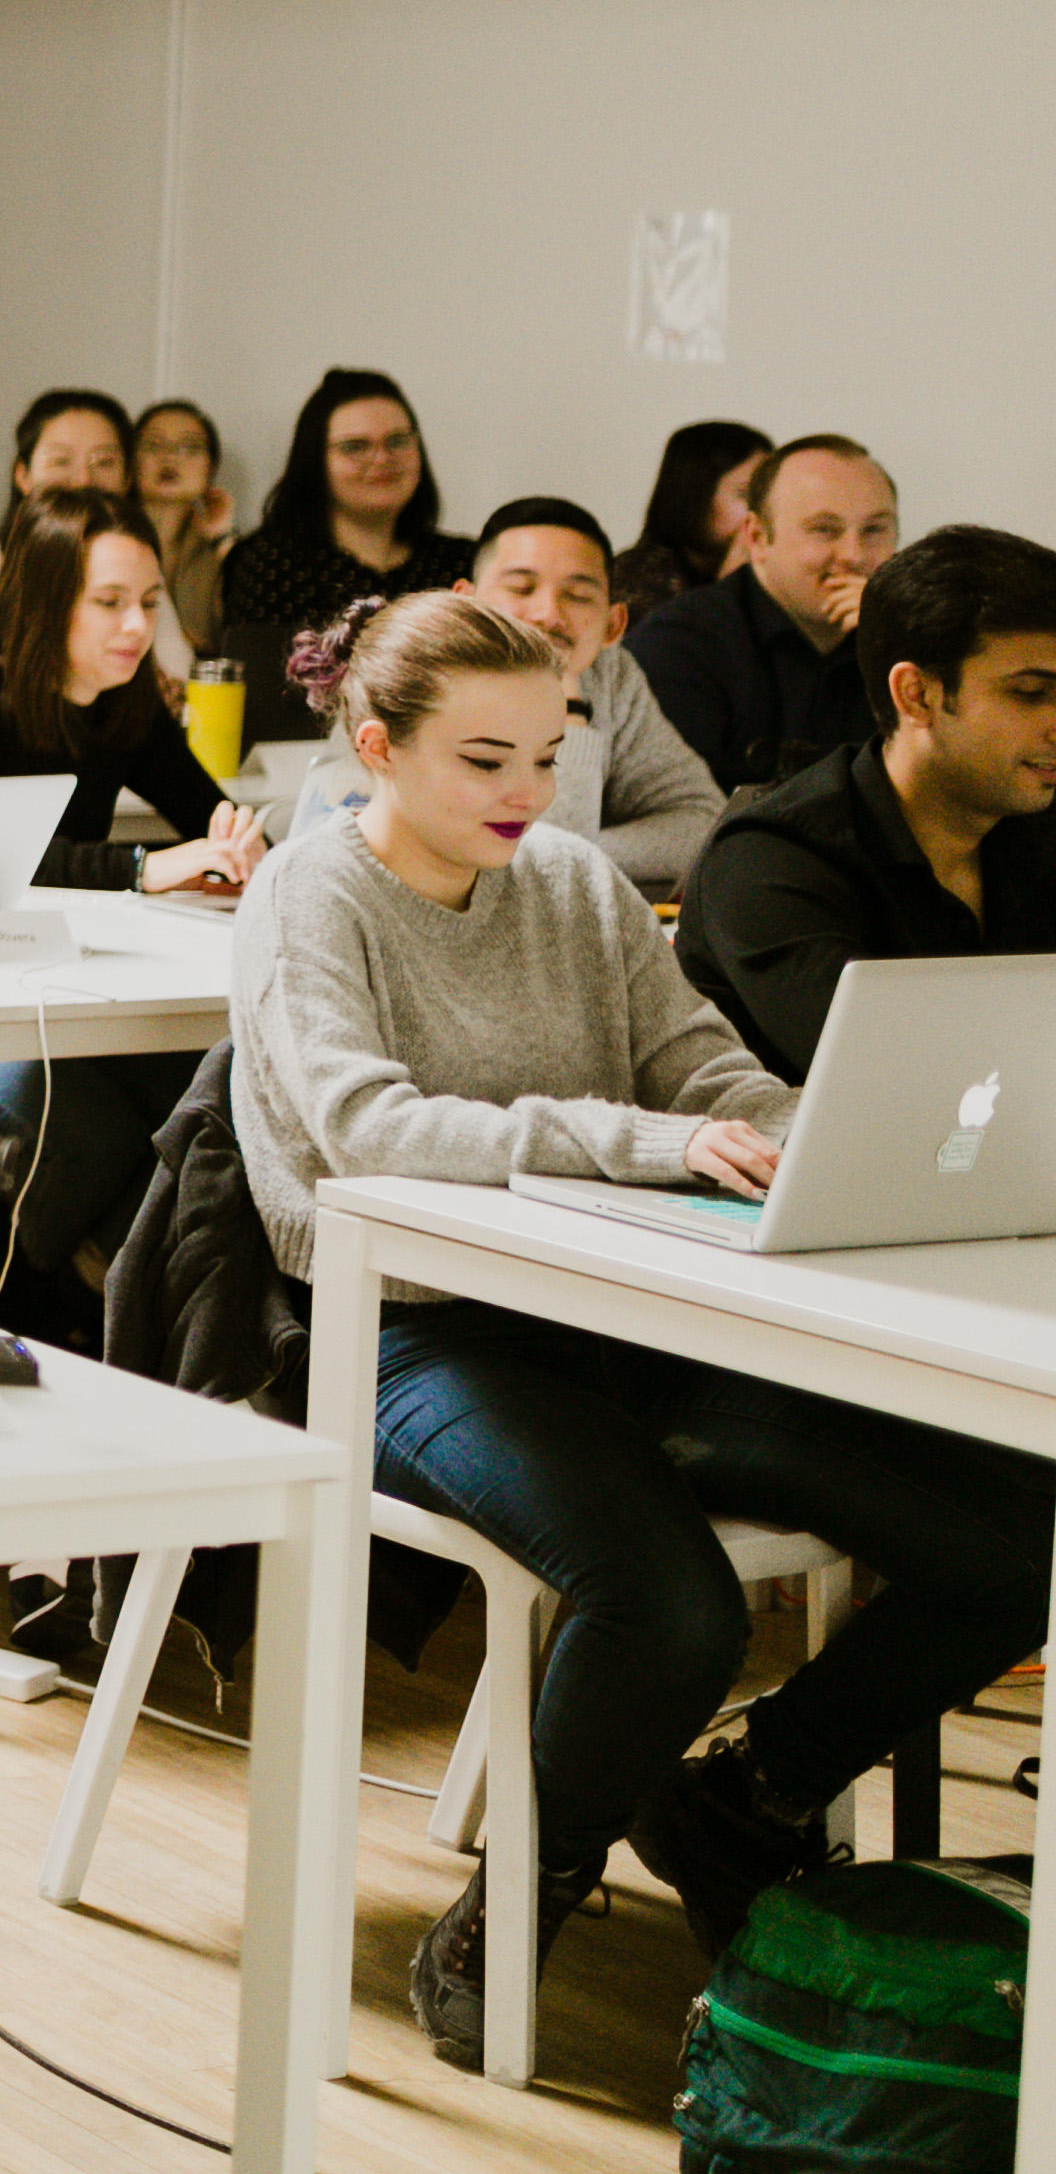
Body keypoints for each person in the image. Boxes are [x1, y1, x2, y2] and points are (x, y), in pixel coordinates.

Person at [230, 589, 1053, 2065]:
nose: (530, 796)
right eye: (486, 760)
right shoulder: (310, 894)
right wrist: (643, 1144)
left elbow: (702, 1071)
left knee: (1004, 1546)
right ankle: (522, 1893)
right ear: (375, 749)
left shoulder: (572, 885)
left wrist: (819, 1137)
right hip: (415, 1342)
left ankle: (747, 1801)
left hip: (629, 1327)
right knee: (670, 1606)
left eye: (548, 754)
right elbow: (365, 1128)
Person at [681, 524, 1056, 1082]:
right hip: (806, 1163)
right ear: (917, 695)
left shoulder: (1032, 818)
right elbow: (898, 1078)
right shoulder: (769, 859)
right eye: (1029, 693)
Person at [0, 494, 257, 898]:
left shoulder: (126, 700)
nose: (138, 625)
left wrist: (241, 845)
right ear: (45, 603)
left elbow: (207, 815)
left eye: (150, 602)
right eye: (110, 602)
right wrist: (138, 868)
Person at [462, 498, 724, 894]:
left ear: (613, 624)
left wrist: (570, 705)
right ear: (464, 604)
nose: (548, 614)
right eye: (522, 588)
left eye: (578, 596)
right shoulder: (421, 675)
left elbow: (700, 824)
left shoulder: (610, 674)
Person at [626, 432, 898, 797]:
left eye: (874, 529)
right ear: (756, 537)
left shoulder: (909, 644)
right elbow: (685, 820)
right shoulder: (678, 646)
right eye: (823, 529)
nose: (854, 554)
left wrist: (898, 645)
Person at [214, 368, 465, 710]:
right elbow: (267, 699)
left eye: (397, 441)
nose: (382, 459)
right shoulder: (270, 563)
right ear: (315, 462)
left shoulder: (462, 562)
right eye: (355, 447)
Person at [0, 390, 191, 677]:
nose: (83, 480)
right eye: (60, 461)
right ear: (23, 476)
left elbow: (177, 676)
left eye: (104, 462)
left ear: (127, 478)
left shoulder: (138, 571)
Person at [610, 419, 776, 634]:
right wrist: (729, 591)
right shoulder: (636, 579)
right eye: (746, 494)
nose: (763, 508)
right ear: (696, 495)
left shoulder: (766, 568)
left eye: (769, 493)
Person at [134, 398, 236, 647]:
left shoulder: (217, 546)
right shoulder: (109, 536)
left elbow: (246, 630)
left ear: (210, 467)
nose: (170, 458)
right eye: (154, 445)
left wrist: (223, 538)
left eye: (190, 448)